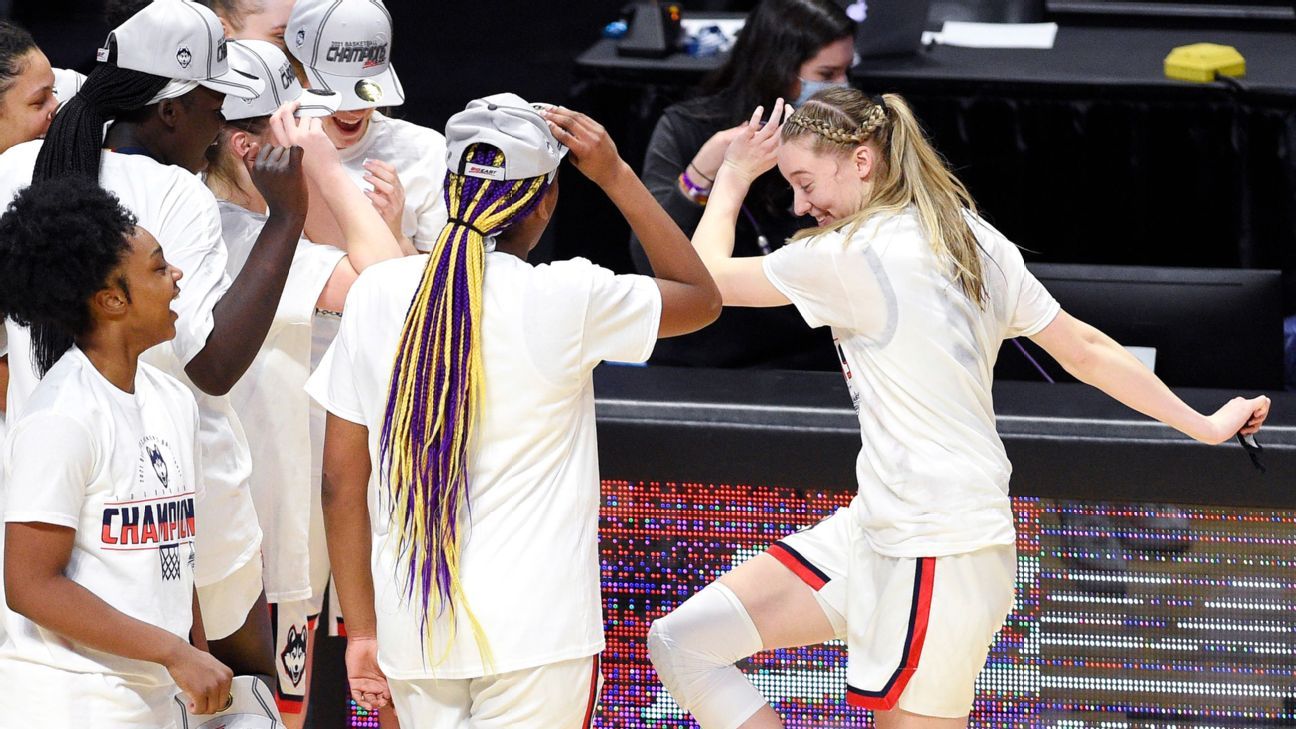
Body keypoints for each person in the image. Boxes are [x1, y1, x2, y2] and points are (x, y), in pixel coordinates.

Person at [647, 89, 1272, 729]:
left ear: (861, 161)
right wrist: (1202, 424)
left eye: (805, 183)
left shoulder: (851, 253)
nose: (802, 206)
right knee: (682, 641)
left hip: (941, 547)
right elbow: (1084, 348)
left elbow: (702, 283)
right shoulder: (970, 234)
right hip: (881, 529)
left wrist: (732, 177)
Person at [306, 95, 720, 726]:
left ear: (449, 190)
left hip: (412, 633)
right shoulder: (568, 296)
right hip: (539, 638)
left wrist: (361, 630)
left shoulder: (375, 294)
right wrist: (614, 173)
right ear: (546, 200)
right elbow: (700, 298)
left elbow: (340, 484)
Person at [0, 0, 304, 686]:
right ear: (169, 110)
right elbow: (216, 365)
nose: (224, 125)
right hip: (178, 509)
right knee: (233, 692)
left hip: (45, 497)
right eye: (214, 105)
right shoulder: (173, 193)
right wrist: (287, 219)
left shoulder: (13, 173)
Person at [206, 37, 403, 722]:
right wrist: (323, 167)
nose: (312, 133)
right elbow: (393, 287)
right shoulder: (245, 239)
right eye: (296, 121)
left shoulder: (200, 221)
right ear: (247, 145)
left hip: (223, 532)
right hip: (263, 540)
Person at [0, 177, 232, 727]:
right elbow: (29, 586)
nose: (177, 276)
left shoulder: (173, 399)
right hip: (69, 699)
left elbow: (176, 558)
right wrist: (175, 652)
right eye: (158, 268)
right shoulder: (61, 417)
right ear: (111, 300)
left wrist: (195, 653)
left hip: (156, 696)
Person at [630, 0, 853, 371]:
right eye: (827, 74)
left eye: (847, 71)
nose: (842, 86)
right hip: (704, 357)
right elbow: (648, 258)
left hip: (812, 354)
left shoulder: (843, 137)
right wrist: (706, 169)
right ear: (777, 71)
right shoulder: (688, 127)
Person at [287, 0, 448, 254]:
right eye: (337, 90)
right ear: (299, 74)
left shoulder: (427, 150)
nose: (356, 109)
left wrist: (395, 236)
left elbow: (438, 286)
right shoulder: (261, 149)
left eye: (368, 90)